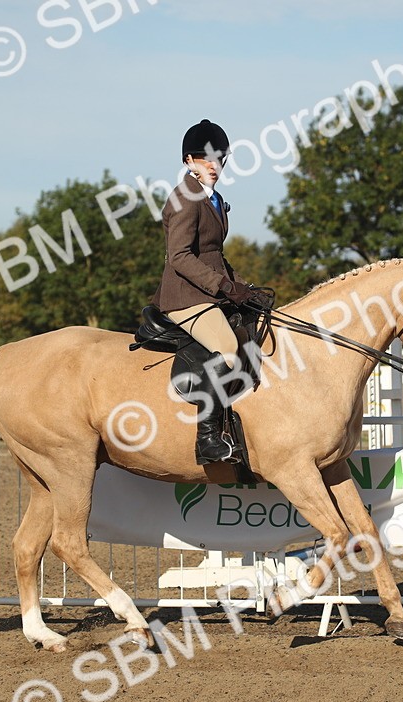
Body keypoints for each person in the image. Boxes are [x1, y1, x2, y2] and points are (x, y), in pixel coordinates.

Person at [151, 119, 255, 464]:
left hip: (208, 292)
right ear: (188, 162)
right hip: (184, 296)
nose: (214, 165)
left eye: (220, 158)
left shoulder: (214, 198)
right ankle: (207, 439)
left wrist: (242, 287)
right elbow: (179, 256)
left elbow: (214, 255)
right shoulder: (185, 197)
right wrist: (222, 286)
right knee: (227, 348)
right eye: (206, 158)